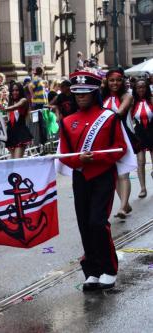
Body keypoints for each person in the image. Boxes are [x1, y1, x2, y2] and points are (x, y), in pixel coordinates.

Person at [58, 71, 135, 291]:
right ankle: (92, 271)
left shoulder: (109, 117)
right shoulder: (67, 122)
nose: (80, 97)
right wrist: (78, 159)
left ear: (93, 93)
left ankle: (109, 269)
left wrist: (97, 157)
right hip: (80, 176)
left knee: (97, 222)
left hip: (102, 174)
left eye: (85, 94)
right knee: (84, 224)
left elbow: (120, 148)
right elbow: (64, 153)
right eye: (77, 94)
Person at [102, 67, 135, 219]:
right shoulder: (101, 97)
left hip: (122, 137)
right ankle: (125, 203)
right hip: (105, 139)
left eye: (118, 80)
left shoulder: (126, 96)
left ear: (123, 81)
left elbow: (120, 112)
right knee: (114, 174)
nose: (115, 83)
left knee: (123, 174)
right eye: (111, 80)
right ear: (107, 82)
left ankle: (122, 208)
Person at [131, 79, 153, 198]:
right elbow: (129, 120)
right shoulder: (132, 102)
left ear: (147, 88)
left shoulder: (152, 100)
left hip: (152, 131)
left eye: (143, 87)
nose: (141, 89)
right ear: (135, 89)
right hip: (139, 134)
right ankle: (143, 188)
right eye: (138, 87)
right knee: (141, 162)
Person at [2, 82, 32, 159]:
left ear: (21, 91)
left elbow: (16, 106)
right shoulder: (10, 102)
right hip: (11, 134)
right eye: (13, 90)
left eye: (17, 90)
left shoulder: (23, 100)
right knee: (12, 160)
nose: (14, 92)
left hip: (21, 133)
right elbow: (11, 118)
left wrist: (4, 108)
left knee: (17, 159)